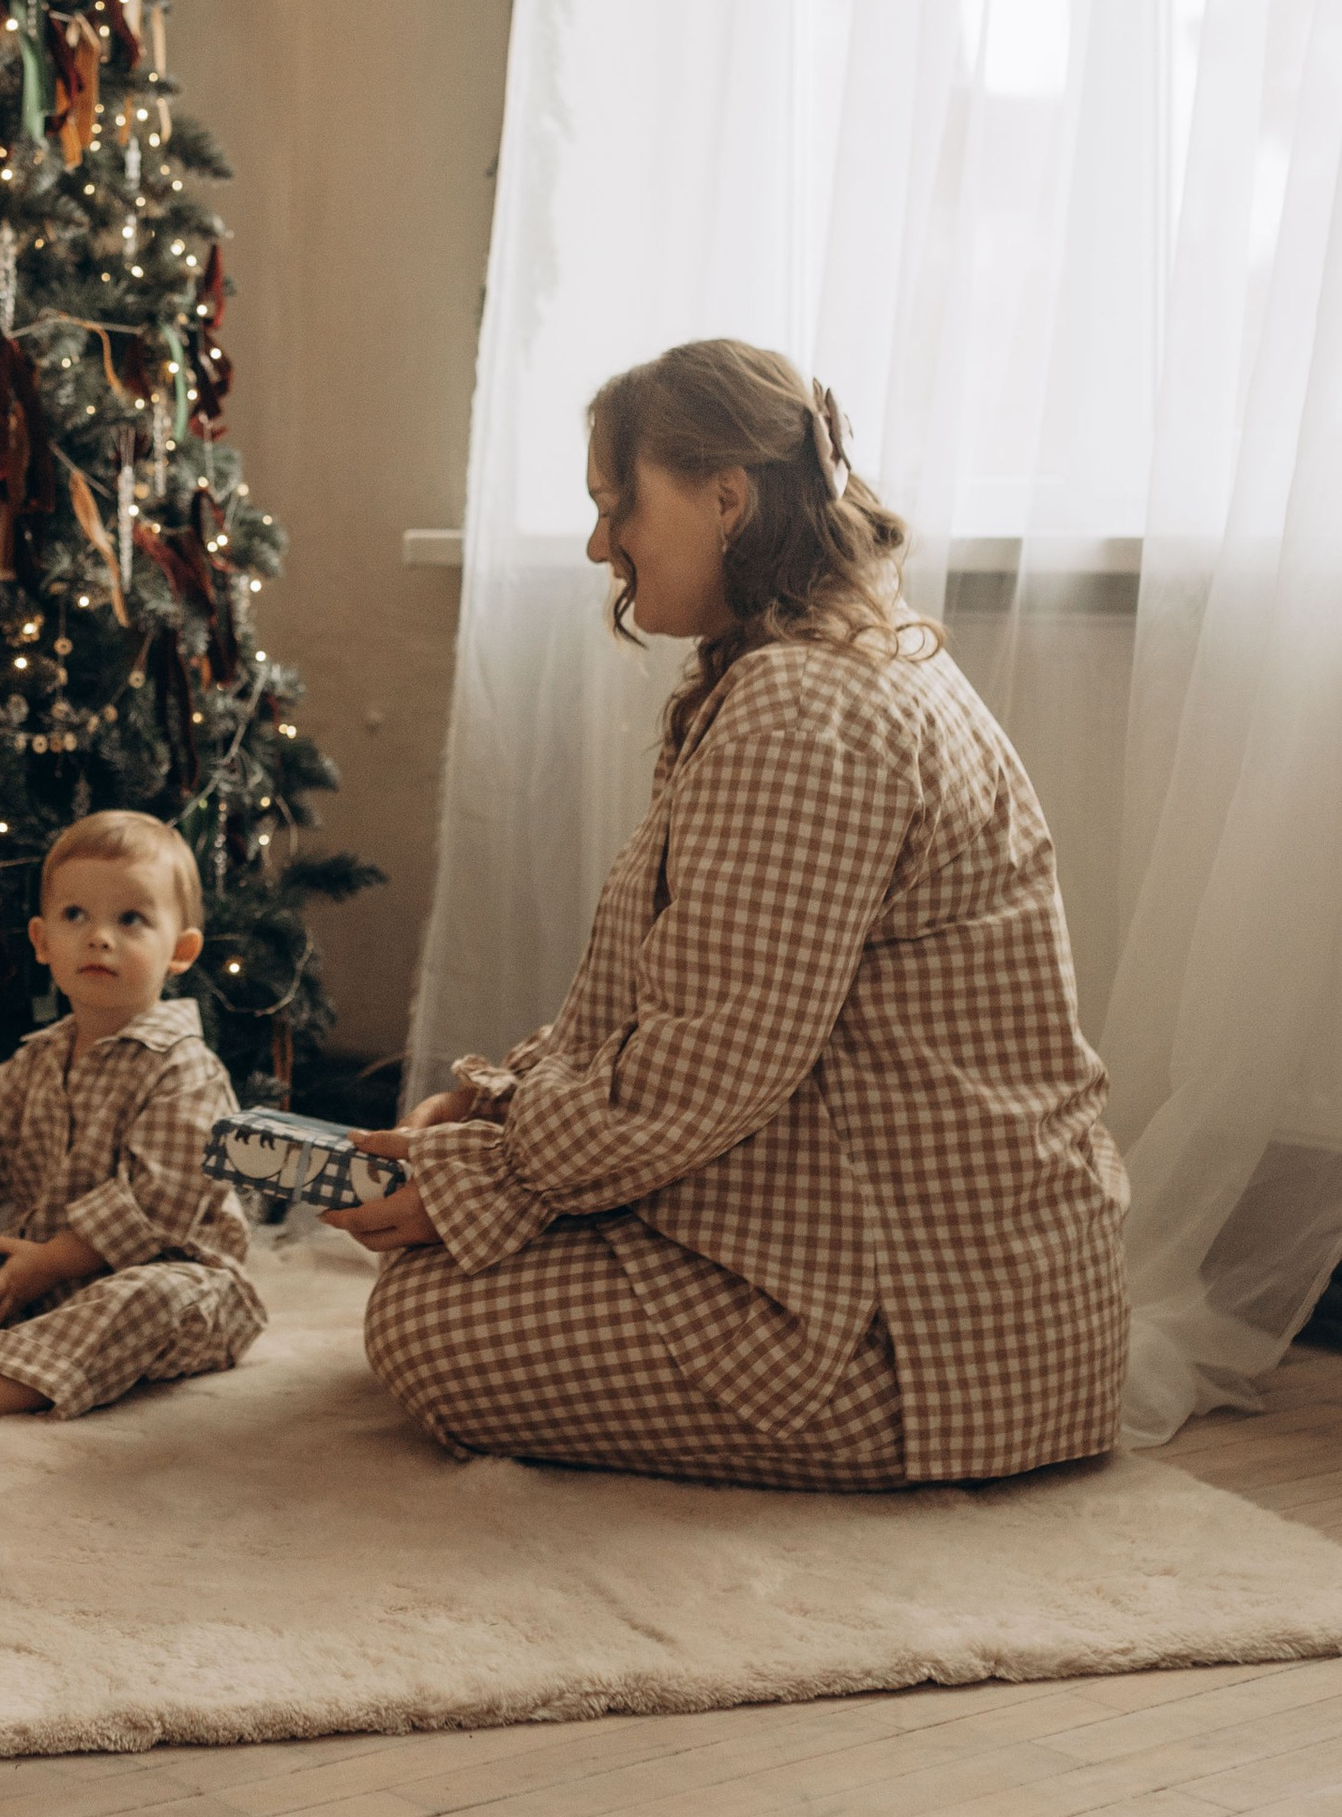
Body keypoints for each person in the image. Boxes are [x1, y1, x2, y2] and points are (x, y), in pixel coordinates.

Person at [333, 340, 1130, 1488]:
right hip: (918, 1270)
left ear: (726, 496)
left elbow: (707, 1061)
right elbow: (684, 993)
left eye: (620, 506)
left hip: (918, 1332)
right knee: (446, 1268)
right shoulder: (815, 666)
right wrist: (496, 1114)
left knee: (424, 1328)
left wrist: (488, 1178)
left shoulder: (804, 707)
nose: (602, 544)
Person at [0, 809, 264, 1434]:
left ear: (180, 950)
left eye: (131, 919)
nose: (99, 937)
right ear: (42, 941)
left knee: (148, 1296)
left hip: (181, 1283)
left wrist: (54, 1260)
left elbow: (161, 1201)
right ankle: (0, 1352)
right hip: (51, 1278)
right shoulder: (40, 1059)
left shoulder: (187, 1071)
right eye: (76, 916)